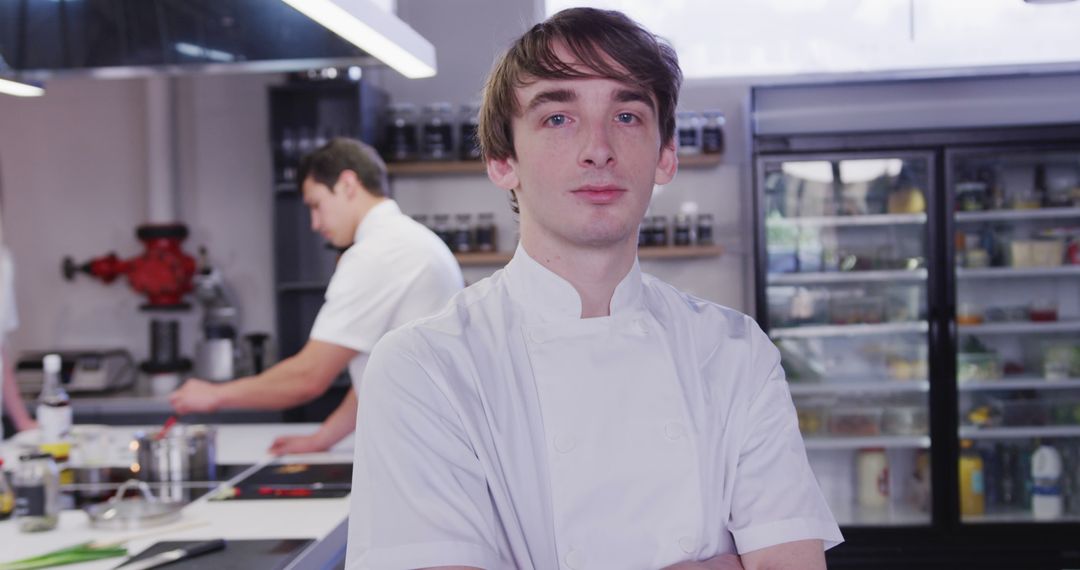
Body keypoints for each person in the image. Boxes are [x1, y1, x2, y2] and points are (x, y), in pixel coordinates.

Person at [346, 7, 842, 570]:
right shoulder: (425, 367)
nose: (597, 149)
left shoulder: (736, 353)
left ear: (665, 156)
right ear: (502, 160)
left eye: (627, 115)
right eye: (558, 118)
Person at [169, 138, 463, 454]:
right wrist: (322, 439)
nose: (315, 223)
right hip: (431, 442)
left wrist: (215, 395)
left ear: (348, 184)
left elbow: (308, 376)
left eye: (316, 205)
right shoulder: (410, 240)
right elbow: (376, 378)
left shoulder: (378, 253)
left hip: (421, 449)